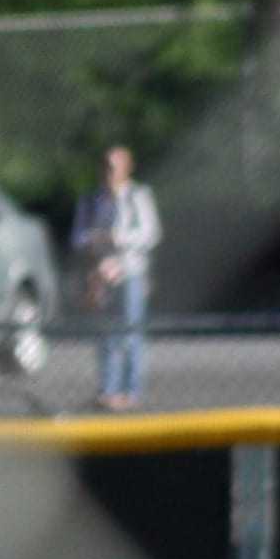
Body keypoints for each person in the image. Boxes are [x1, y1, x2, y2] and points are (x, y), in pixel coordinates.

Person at [72, 144, 162, 410]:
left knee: (131, 331)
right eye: (105, 166)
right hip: (101, 275)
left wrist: (117, 238)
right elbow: (78, 236)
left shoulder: (138, 196)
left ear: (126, 168)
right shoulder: (91, 200)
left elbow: (151, 233)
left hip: (130, 272)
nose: (108, 172)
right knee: (105, 334)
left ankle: (131, 391)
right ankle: (108, 390)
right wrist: (93, 242)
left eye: (114, 166)